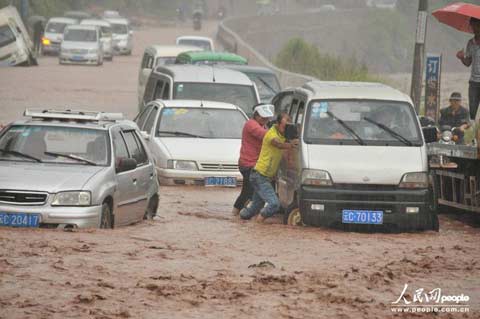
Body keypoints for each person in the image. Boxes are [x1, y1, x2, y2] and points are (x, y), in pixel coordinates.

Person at [240, 112, 298, 223]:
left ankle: (240, 220)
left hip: (263, 176)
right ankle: (258, 225)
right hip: (259, 176)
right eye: (285, 126)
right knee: (274, 204)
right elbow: (278, 145)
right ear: (277, 124)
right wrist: (292, 145)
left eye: (289, 126)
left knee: (253, 209)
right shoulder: (271, 134)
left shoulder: (282, 135)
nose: (287, 128)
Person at [232, 104, 273, 215]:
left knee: (252, 192)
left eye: (267, 118)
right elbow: (266, 136)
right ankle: (235, 213)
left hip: (255, 164)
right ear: (256, 115)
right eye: (263, 117)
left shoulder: (263, 126)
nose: (265, 119)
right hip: (248, 164)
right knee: (248, 192)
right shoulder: (251, 125)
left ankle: (242, 212)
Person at [457, 17, 480, 121]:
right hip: (474, 82)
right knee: (472, 111)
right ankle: (472, 132)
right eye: (473, 25)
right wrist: (462, 57)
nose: (474, 28)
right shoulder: (470, 43)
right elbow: (468, 63)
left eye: (477, 25)